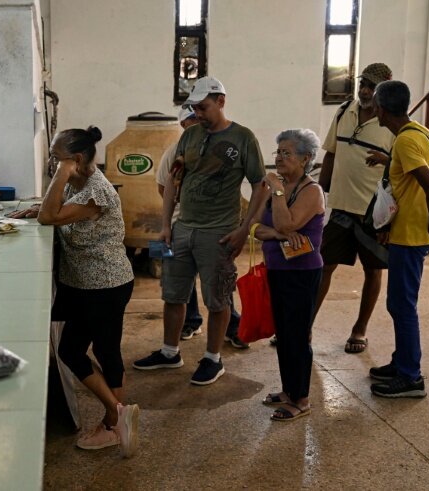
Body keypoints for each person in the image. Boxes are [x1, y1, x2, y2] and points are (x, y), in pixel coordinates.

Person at [133, 76, 267, 385]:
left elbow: (260, 186)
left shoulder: (243, 137)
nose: (199, 114)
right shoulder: (190, 137)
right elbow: (172, 183)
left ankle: (212, 358)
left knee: (217, 298)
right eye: (195, 108)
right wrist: (166, 226)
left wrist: (245, 229)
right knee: (173, 294)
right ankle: (170, 352)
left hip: (218, 232)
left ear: (221, 101)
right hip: (182, 229)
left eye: (204, 108)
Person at [35, 126, 139, 457]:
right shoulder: (76, 183)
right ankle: (117, 412)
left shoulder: (98, 192)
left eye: (56, 158)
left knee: (106, 351)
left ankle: (113, 422)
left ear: (76, 159)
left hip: (106, 284)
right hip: (82, 282)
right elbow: (52, 213)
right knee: (71, 350)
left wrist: (61, 176)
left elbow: (48, 215)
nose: (53, 164)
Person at [368, 80, 429, 398]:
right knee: (399, 303)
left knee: (402, 305)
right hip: (409, 233)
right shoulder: (419, 133)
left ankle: (411, 377)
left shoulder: (405, 142)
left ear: (382, 109)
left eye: (375, 105)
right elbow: (412, 169)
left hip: (411, 236)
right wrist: (388, 162)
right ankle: (402, 362)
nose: (374, 111)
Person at [315, 62, 395, 354]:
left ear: (383, 90)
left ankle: (359, 329)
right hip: (340, 206)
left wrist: (390, 219)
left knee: (373, 270)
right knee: (323, 265)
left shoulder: (393, 122)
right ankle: (305, 326)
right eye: (363, 83)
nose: (364, 90)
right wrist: (320, 192)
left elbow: (404, 168)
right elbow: (331, 154)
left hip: (373, 212)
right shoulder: (344, 110)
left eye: (372, 87)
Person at [156, 107, 247, 348]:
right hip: (178, 228)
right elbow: (163, 189)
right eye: (190, 121)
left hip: (213, 230)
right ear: (183, 125)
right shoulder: (173, 152)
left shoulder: (221, 151)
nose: (196, 124)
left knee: (218, 288)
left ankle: (232, 328)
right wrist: (169, 222)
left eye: (199, 119)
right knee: (177, 287)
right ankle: (189, 325)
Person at [253, 129, 325, 421]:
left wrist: (278, 192)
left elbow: (286, 224)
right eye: (278, 152)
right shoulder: (276, 188)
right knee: (283, 334)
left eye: (287, 153)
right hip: (277, 269)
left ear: (306, 158)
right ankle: (288, 390)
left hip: (302, 273)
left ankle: (302, 399)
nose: (280, 158)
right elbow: (257, 227)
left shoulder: (311, 191)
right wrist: (278, 236)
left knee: (297, 335)